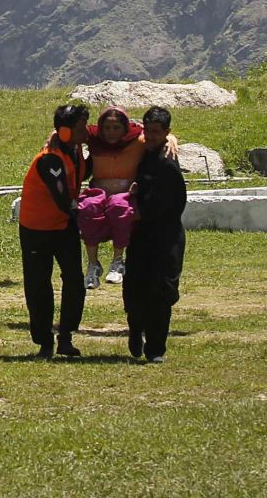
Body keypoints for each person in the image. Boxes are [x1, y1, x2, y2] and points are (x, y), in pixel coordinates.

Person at [19, 103, 90, 359]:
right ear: (66, 131)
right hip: (36, 228)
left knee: (74, 280)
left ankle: (66, 336)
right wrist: (92, 216)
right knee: (39, 284)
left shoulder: (73, 146)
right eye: (81, 128)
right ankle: (44, 341)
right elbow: (62, 198)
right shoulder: (49, 159)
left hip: (64, 225)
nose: (87, 133)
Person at [124, 106, 188, 363]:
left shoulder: (167, 162)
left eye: (156, 133)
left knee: (161, 293)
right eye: (147, 131)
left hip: (165, 236)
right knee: (135, 287)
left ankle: (155, 349)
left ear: (166, 132)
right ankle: (135, 329)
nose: (150, 137)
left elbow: (173, 204)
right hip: (140, 236)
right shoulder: (143, 153)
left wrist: (144, 213)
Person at [78, 106, 145, 288]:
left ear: (125, 128)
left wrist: (171, 139)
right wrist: (51, 137)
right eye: (107, 128)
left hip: (125, 193)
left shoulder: (138, 139)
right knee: (86, 208)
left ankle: (117, 261)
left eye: (116, 128)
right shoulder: (94, 139)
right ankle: (93, 265)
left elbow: (161, 135)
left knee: (119, 207)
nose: (111, 133)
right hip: (99, 191)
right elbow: (66, 129)